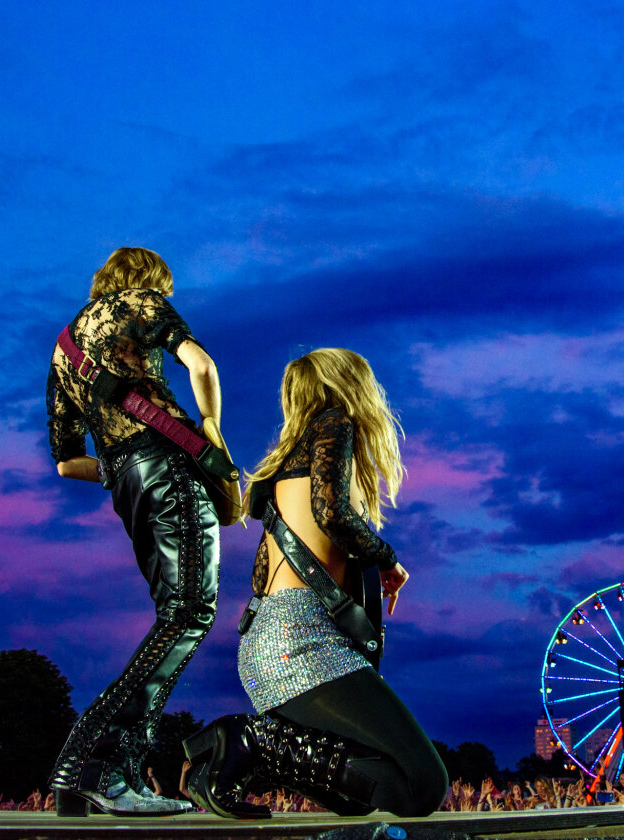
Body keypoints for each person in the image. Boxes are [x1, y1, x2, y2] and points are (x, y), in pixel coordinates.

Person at [184, 348, 447, 819]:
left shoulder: (288, 461)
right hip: (301, 640)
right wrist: (387, 559)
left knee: (387, 794)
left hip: (268, 642)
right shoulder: (335, 423)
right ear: (350, 386)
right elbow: (332, 513)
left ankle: (257, 753)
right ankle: (248, 742)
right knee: (424, 783)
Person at [45, 247, 227, 816]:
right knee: (190, 613)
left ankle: (99, 771)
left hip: (126, 480)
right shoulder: (141, 304)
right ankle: (97, 766)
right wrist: (211, 429)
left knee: (175, 613)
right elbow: (200, 365)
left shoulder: (64, 348)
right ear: (149, 282)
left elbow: (66, 462)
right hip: (168, 464)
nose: (166, 298)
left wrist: (122, 469)